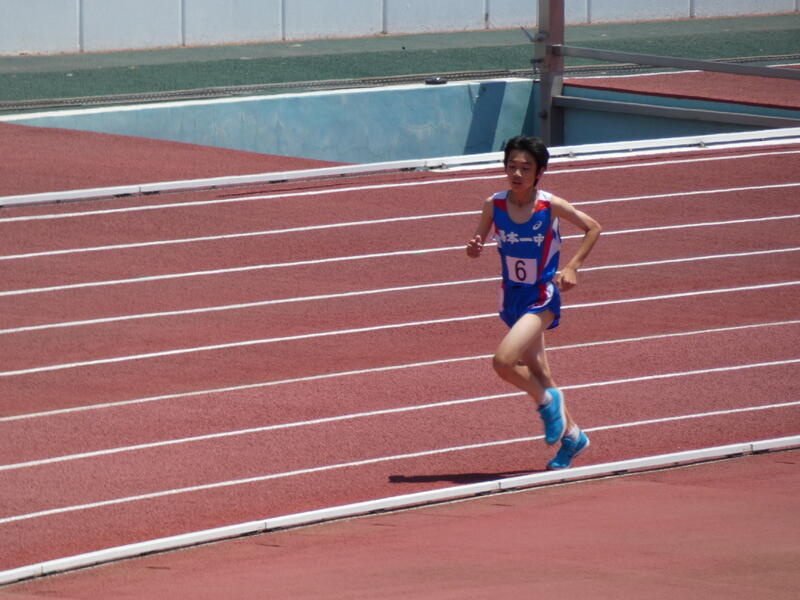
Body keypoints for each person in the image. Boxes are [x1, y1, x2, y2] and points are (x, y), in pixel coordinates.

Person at [466, 136, 602, 470]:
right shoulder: (494, 205)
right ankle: (573, 438)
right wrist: (474, 248)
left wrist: (572, 267)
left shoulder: (550, 205)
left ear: (539, 172)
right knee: (540, 372)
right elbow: (476, 245)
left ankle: (545, 402)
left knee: (503, 362)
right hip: (511, 298)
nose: (517, 173)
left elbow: (593, 228)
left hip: (541, 297)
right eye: (512, 166)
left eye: (525, 168)